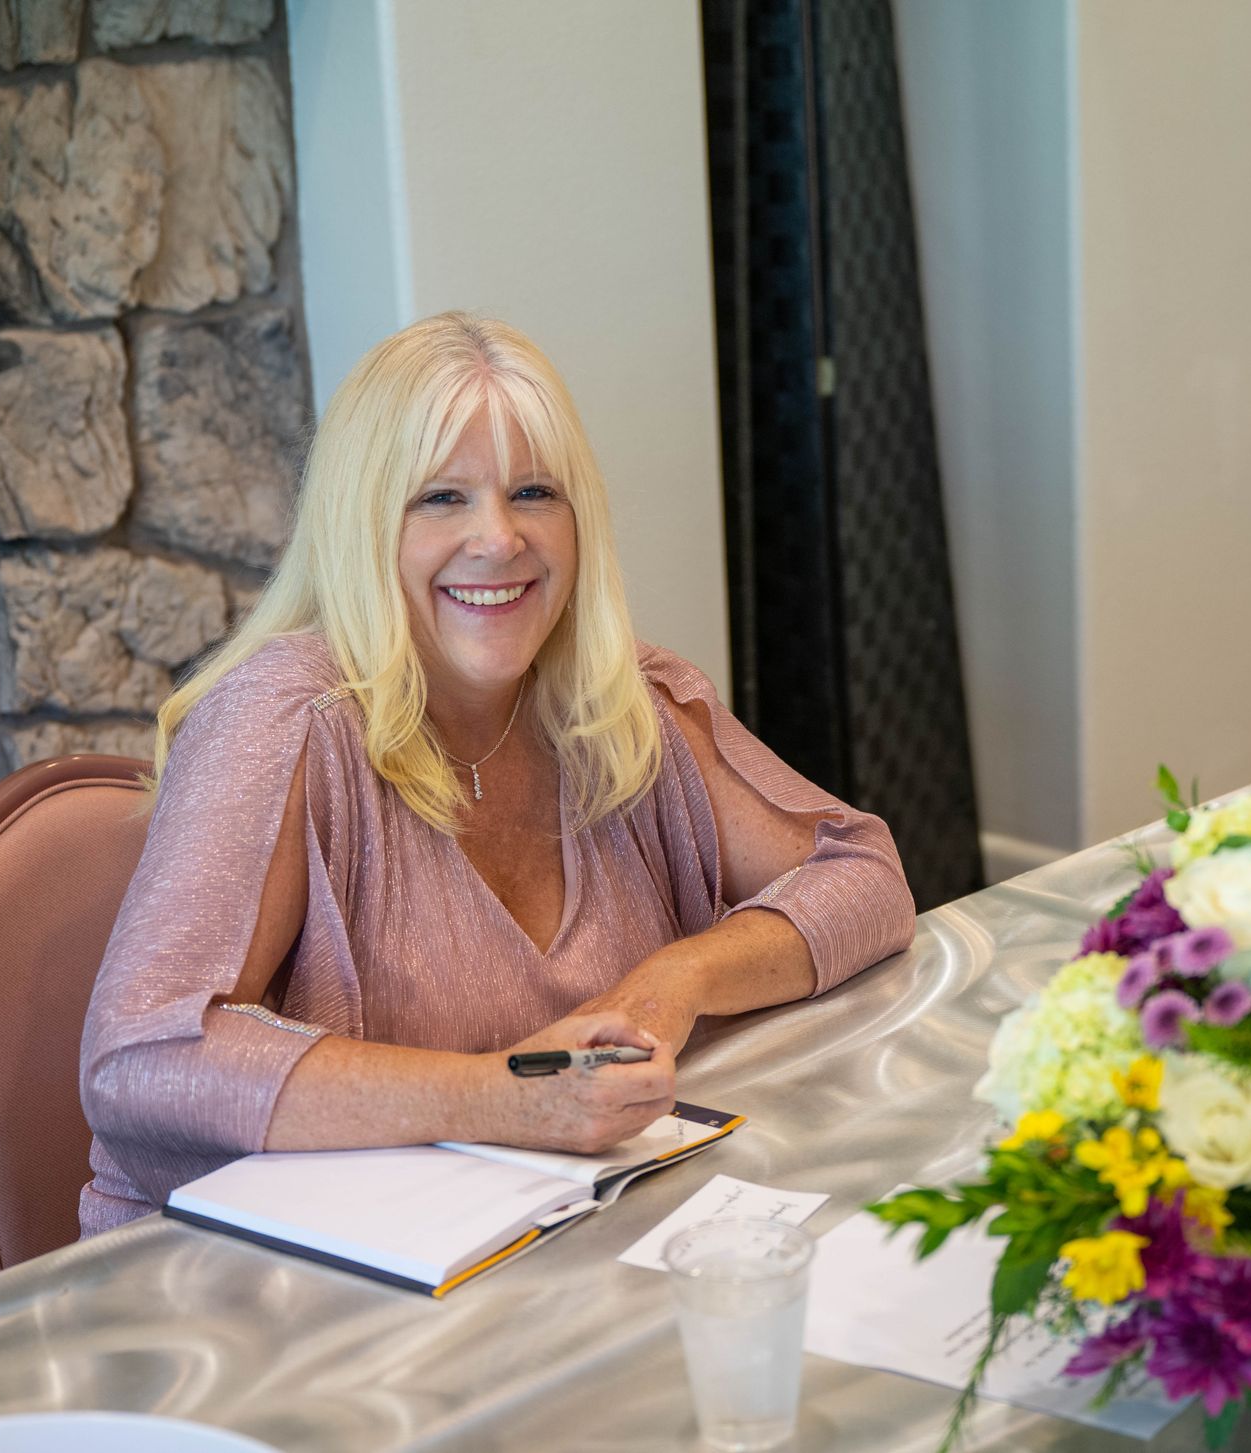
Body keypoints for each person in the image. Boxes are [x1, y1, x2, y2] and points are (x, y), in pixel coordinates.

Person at [77, 314, 916, 1234]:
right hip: (275, 1297)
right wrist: (505, 1095)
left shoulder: (619, 697)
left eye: (533, 492)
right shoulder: (282, 717)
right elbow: (140, 1060)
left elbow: (866, 878)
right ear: (364, 525)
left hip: (551, 1248)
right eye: (440, 498)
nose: (499, 538)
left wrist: (670, 984)